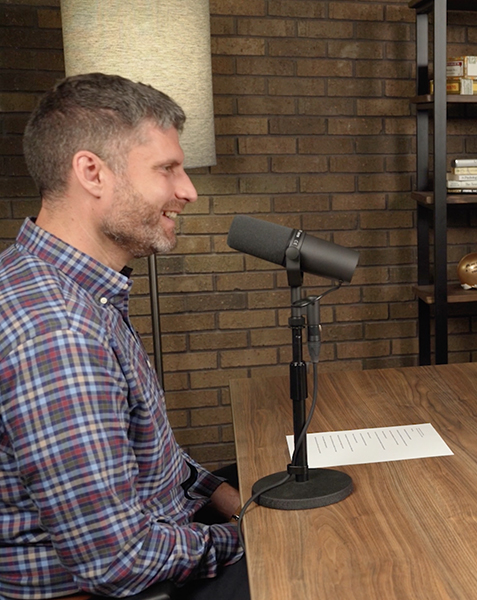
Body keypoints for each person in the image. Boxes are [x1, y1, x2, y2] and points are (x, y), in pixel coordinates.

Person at [0, 73, 248, 599]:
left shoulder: (66, 285)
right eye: (167, 169)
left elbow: (152, 456)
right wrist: (246, 538)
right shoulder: (59, 334)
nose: (188, 190)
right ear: (91, 172)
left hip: (155, 531)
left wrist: (228, 496)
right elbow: (119, 561)